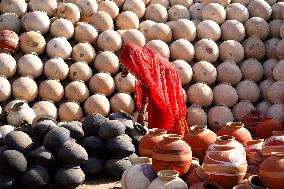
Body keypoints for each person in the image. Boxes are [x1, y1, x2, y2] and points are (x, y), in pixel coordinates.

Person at [119, 43, 188, 137]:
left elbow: (147, 87)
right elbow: (130, 60)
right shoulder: (139, 56)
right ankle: (161, 138)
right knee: (157, 109)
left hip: (167, 77)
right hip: (161, 74)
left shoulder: (145, 66)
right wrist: (126, 69)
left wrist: (141, 113)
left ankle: (171, 137)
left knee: (166, 108)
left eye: (128, 65)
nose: (129, 67)